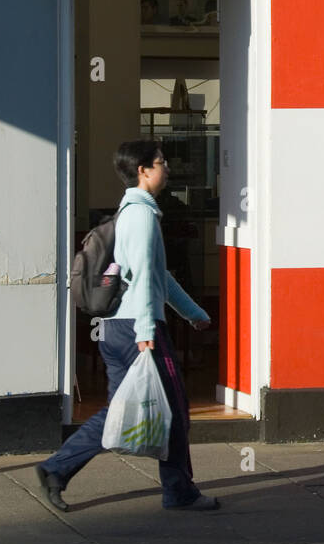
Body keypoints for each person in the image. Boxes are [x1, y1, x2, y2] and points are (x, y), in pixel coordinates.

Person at [34, 141, 219, 513]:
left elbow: (156, 275)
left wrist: (192, 313)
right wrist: (148, 331)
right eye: (161, 162)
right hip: (138, 329)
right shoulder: (141, 215)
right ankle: (180, 491)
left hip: (118, 327)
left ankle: (56, 469)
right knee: (176, 410)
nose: (166, 167)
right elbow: (148, 277)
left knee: (120, 408)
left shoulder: (131, 212)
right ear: (143, 171)